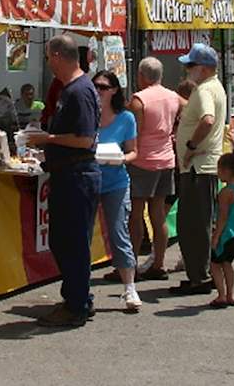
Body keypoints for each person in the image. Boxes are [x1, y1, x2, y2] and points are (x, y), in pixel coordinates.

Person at [28, 36, 101, 327]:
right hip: (68, 173)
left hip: (77, 175)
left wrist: (49, 139)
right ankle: (79, 297)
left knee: (71, 242)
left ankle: (76, 304)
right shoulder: (70, 90)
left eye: (48, 57)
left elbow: (85, 139)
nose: (48, 63)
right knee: (64, 240)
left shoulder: (79, 91)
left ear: (58, 56)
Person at [170, 43, 227, 296]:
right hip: (202, 166)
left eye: (190, 66)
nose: (186, 70)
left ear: (202, 68)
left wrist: (191, 145)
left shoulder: (205, 90)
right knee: (196, 222)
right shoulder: (214, 87)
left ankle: (200, 277)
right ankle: (199, 274)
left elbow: (207, 120)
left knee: (193, 224)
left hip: (198, 167)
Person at [127, 57, 181, 281]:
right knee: (158, 215)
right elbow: (189, 110)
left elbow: (134, 131)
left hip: (143, 160)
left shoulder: (139, 100)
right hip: (166, 159)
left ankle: (131, 264)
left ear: (142, 76)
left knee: (136, 215)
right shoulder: (173, 96)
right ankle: (158, 263)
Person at [92, 70, 142, 311]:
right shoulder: (87, 113)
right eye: (96, 86)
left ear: (113, 90)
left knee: (118, 231)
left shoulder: (126, 118)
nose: (98, 91)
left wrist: (121, 158)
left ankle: (130, 288)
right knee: (81, 234)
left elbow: (134, 152)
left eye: (103, 87)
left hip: (116, 181)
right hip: (89, 180)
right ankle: (79, 290)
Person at [208, 147, 234, 309]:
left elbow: (223, 217)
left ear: (226, 171)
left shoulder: (225, 193)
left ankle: (221, 295)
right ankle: (231, 294)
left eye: (219, 169)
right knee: (227, 263)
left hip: (228, 233)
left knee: (215, 264)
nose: (217, 173)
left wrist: (216, 236)